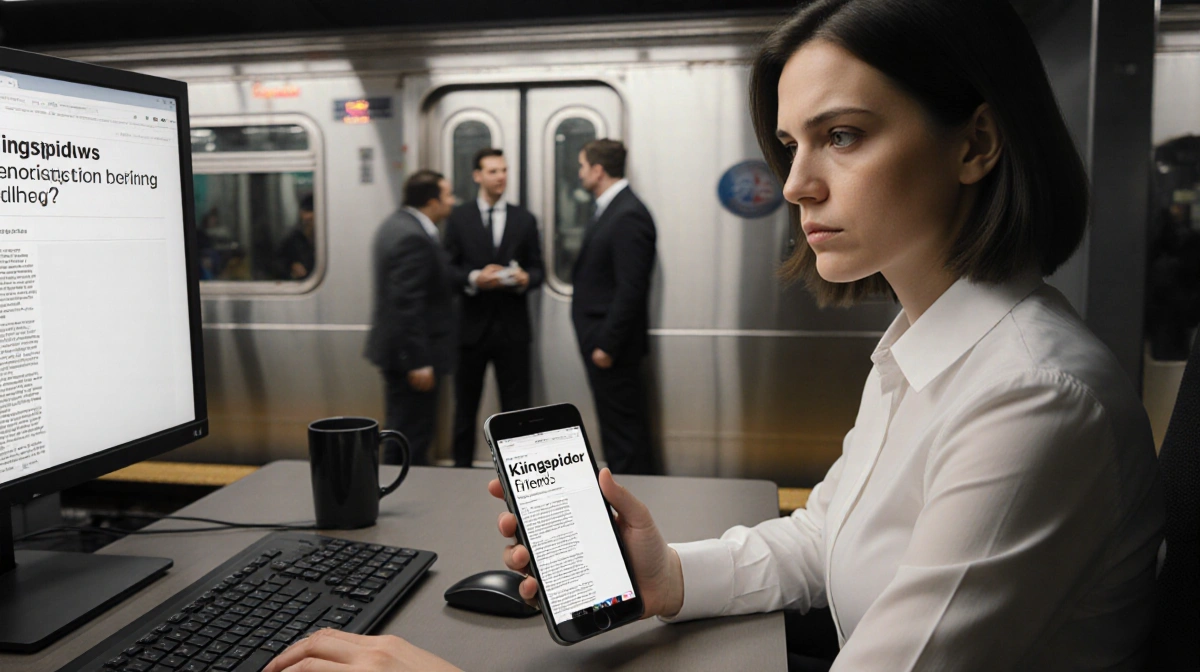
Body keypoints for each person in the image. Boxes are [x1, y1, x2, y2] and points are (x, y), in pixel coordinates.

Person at [264, 1, 1165, 670]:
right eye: (789, 146)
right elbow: (826, 537)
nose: (797, 184)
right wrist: (667, 573)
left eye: (842, 136)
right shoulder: (922, 345)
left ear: (975, 144)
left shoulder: (1034, 399)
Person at [443, 148, 545, 467]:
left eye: (504, 170)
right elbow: (448, 270)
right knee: (465, 407)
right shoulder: (459, 218)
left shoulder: (524, 219)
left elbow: (539, 269)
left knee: (517, 410)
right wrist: (475, 278)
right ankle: (459, 469)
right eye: (492, 171)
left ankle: (520, 470)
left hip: (512, 329)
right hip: (471, 329)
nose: (500, 177)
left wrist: (525, 277)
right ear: (477, 176)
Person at [570, 138, 657, 474]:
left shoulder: (628, 214)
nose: (579, 175)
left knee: (624, 433)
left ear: (597, 169)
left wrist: (607, 343)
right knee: (615, 427)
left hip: (613, 347)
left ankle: (636, 495)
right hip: (604, 342)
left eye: (582, 166)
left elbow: (631, 288)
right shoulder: (612, 209)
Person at [363, 170, 456, 466]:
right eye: (448, 195)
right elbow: (407, 303)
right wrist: (418, 360)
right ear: (432, 201)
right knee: (410, 435)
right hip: (410, 358)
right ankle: (404, 490)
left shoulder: (397, 225)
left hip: (402, 353)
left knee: (404, 428)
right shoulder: (412, 237)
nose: (452, 201)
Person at [275, 193, 317, 280]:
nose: (307, 217)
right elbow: (278, 264)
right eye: (305, 212)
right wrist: (291, 269)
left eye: (311, 212)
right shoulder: (293, 240)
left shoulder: (331, 242)